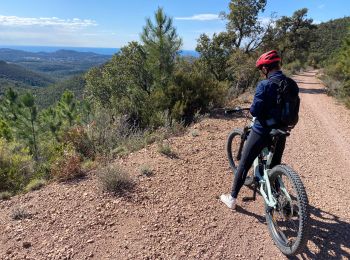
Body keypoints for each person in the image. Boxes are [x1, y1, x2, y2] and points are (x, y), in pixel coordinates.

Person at [220, 50, 299, 209]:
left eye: (261, 69)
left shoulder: (264, 84)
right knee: (274, 164)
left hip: (263, 131)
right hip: (282, 130)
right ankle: (279, 197)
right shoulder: (292, 84)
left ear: (265, 69)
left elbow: (255, 111)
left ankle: (232, 199)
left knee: (244, 162)